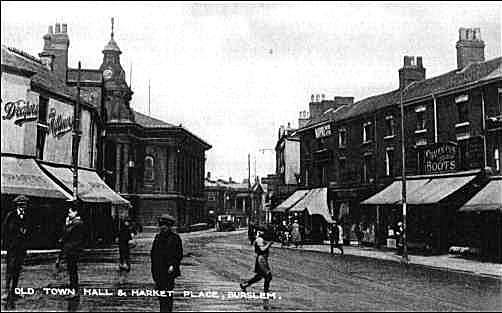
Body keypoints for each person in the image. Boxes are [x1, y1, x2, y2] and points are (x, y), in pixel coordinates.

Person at [1, 195, 30, 309]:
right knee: (10, 269)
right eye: (21, 206)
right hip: (12, 248)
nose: (23, 208)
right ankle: (6, 291)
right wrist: (8, 244)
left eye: (24, 206)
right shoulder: (11, 216)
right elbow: (5, 231)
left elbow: (29, 231)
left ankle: (14, 291)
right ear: (17, 206)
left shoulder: (27, 217)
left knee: (17, 269)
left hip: (21, 248)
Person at [151, 214, 183, 312]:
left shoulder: (175, 238)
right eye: (161, 225)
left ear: (169, 227)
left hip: (169, 271)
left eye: (165, 225)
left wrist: (173, 265)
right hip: (158, 271)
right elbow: (153, 254)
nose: (163, 227)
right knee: (161, 295)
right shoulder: (158, 238)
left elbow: (178, 254)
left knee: (168, 294)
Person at [61, 200, 86, 299]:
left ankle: (74, 291)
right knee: (72, 271)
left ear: (75, 212)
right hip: (74, 249)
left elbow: (65, 234)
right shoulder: (78, 223)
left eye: (70, 212)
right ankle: (74, 291)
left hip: (72, 250)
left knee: (72, 272)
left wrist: (67, 224)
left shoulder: (76, 223)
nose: (69, 213)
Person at [240, 227, 273, 293]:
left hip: (262, 259)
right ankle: (266, 291)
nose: (263, 233)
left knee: (259, 276)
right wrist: (269, 244)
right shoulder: (259, 239)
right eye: (262, 231)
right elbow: (262, 249)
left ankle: (245, 285)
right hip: (261, 260)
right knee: (268, 276)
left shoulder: (260, 239)